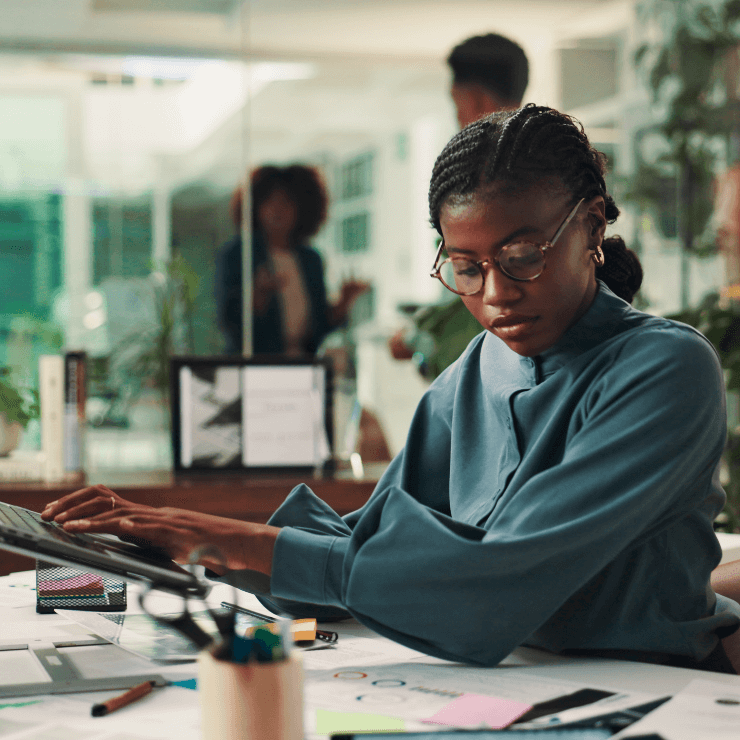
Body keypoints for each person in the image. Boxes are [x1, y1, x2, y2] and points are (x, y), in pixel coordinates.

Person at [43, 105, 740, 672]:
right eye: (465, 267)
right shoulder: (473, 370)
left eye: (523, 257)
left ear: (591, 225)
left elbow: (487, 591)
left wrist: (216, 535)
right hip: (510, 681)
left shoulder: (663, 371)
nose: (496, 294)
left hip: (650, 685)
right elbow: (369, 551)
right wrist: (164, 549)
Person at [389, 32, 529, 378]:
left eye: (457, 104)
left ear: (479, 101)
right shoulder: (550, 168)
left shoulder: (487, 181)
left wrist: (418, 341)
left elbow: (474, 311)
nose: (457, 118)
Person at [215, 164, 368, 355]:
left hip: (303, 365)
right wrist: (258, 295)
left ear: (301, 208)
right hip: (257, 366)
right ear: (255, 207)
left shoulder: (311, 259)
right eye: (269, 201)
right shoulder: (238, 254)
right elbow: (228, 322)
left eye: (286, 202)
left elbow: (318, 327)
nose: (277, 210)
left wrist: (344, 302)